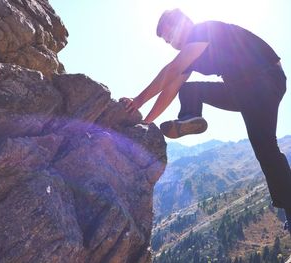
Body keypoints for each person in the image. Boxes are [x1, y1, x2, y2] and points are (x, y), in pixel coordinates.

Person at [120, 8, 291, 234]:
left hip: (263, 79)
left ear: (182, 23)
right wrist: (146, 121)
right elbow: (171, 88)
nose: (170, 42)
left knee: (266, 149)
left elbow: (170, 70)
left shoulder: (203, 29)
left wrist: (138, 100)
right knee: (190, 90)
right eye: (166, 40)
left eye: (169, 35)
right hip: (242, 89)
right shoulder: (193, 54)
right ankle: (191, 117)